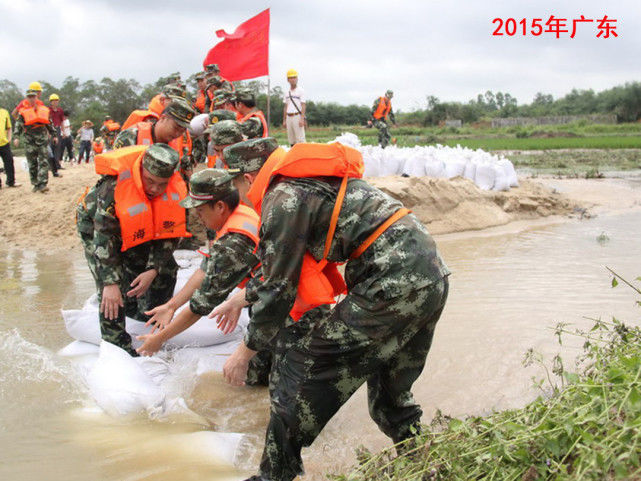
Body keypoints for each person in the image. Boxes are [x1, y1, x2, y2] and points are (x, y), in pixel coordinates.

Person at [219, 139, 450, 481]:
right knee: (389, 399)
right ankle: (428, 466)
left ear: (249, 178)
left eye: (236, 184)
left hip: (391, 280)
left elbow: (279, 289)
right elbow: (288, 271)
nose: (238, 194)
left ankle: (273, 476)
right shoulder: (305, 185)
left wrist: (244, 352)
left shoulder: (282, 198)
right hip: (429, 274)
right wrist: (244, 296)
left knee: (300, 367)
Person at [135, 169, 259, 356]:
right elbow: (204, 270)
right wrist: (171, 306)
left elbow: (200, 305)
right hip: (265, 293)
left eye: (200, 210)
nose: (198, 217)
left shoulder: (232, 243)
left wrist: (159, 339)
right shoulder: (240, 213)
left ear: (219, 206)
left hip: (284, 305)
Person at [91, 144, 190, 355]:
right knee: (112, 288)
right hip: (99, 230)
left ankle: (149, 326)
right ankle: (116, 344)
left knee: (166, 269)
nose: (154, 189)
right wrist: (109, 283)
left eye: (162, 184)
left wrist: (153, 269)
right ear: (141, 171)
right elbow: (104, 240)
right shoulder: (113, 188)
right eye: (150, 181)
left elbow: (170, 234)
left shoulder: (178, 190)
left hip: (145, 228)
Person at [13, 89, 58, 193]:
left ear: (36, 98)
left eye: (33, 96)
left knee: (43, 161)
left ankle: (43, 184)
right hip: (29, 140)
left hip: (42, 139)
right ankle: (35, 184)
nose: (32, 99)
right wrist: (16, 137)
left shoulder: (43, 109)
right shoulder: (23, 112)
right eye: (29, 97)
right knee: (32, 163)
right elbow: (18, 125)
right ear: (26, 98)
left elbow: (49, 124)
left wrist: (54, 135)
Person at [282, 69, 306, 146]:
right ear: (288, 80)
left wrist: (302, 119)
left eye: (294, 77)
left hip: (297, 116)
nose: (293, 80)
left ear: (297, 79)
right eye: (291, 78)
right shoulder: (286, 92)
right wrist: (284, 120)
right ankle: (293, 156)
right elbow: (285, 106)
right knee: (291, 139)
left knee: (300, 139)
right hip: (289, 117)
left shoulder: (300, 91)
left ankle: (302, 156)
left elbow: (303, 105)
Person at [0, 106, 20, 188]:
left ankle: (11, 181)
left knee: (9, 161)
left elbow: (9, 128)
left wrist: (9, 139)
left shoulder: (4, 112)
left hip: (4, 143)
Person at [48, 94, 65, 170]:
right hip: (50, 129)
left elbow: (62, 122)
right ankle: (50, 166)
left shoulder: (60, 110)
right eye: (54, 101)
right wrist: (48, 132)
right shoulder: (48, 110)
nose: (55, 102)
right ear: (51, 102)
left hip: (57, 129)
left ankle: (57, 165)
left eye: (57, 101)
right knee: (50, 147)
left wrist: (63, 131)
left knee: (58, 148)